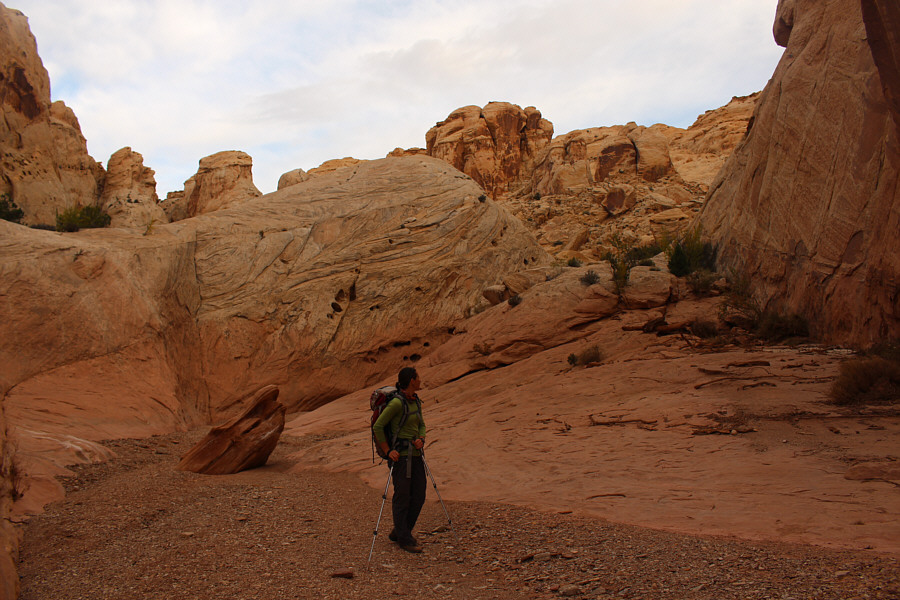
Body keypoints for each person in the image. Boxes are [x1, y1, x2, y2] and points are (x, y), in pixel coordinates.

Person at [373, 366, 427, 553]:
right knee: (402, 496)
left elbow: (421, 424)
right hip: (401, 458)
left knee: (419, 496)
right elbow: (378, 426)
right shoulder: (396, 404)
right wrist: (388, 451)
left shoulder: (416, 401)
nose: (420, 380)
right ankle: (405, 538)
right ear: (412, 380)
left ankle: (400, 531)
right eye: (418, 377)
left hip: (416, 455)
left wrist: (422, 438)